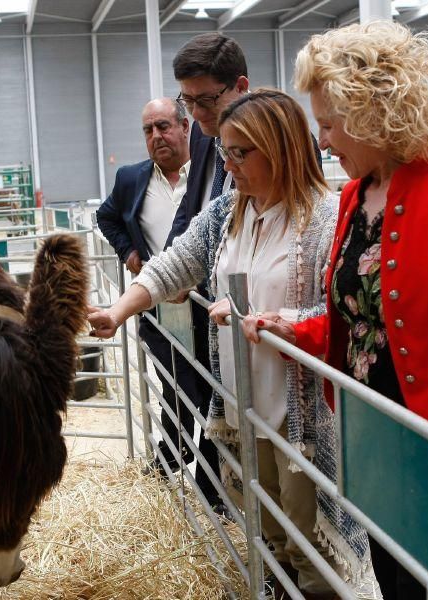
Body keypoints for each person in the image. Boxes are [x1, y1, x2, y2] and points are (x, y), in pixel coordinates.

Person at [242, 21, 428, 600]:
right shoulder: (352, 197)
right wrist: (299, 328)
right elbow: (364, 320)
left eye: (328, 124)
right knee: (393, 578)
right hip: (373, 436)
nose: (322, 141)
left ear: (373, 114)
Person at [90, 88, 369, 600]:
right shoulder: (229, 211)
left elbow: (341, 313)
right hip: (243, 398)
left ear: (280, 149)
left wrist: (273, 320)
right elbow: (175, 263)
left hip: (301, 410)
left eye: (242, 153)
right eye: (225, 151)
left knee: (310, 536)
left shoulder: (327, 216)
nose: (228, 164)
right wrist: (117, 310)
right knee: (265, 521)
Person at [95, 98, 222, 506]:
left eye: (164, 126)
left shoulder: (210, 174)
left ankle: (205, 481)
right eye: (148, 130)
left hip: (209, 310)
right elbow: (106, 217)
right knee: (177, 387)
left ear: (186, 127)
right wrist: (129, 253)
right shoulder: (131, 179)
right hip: (159, 308)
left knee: (213, 394)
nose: (156, 136)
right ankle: (173, 464)